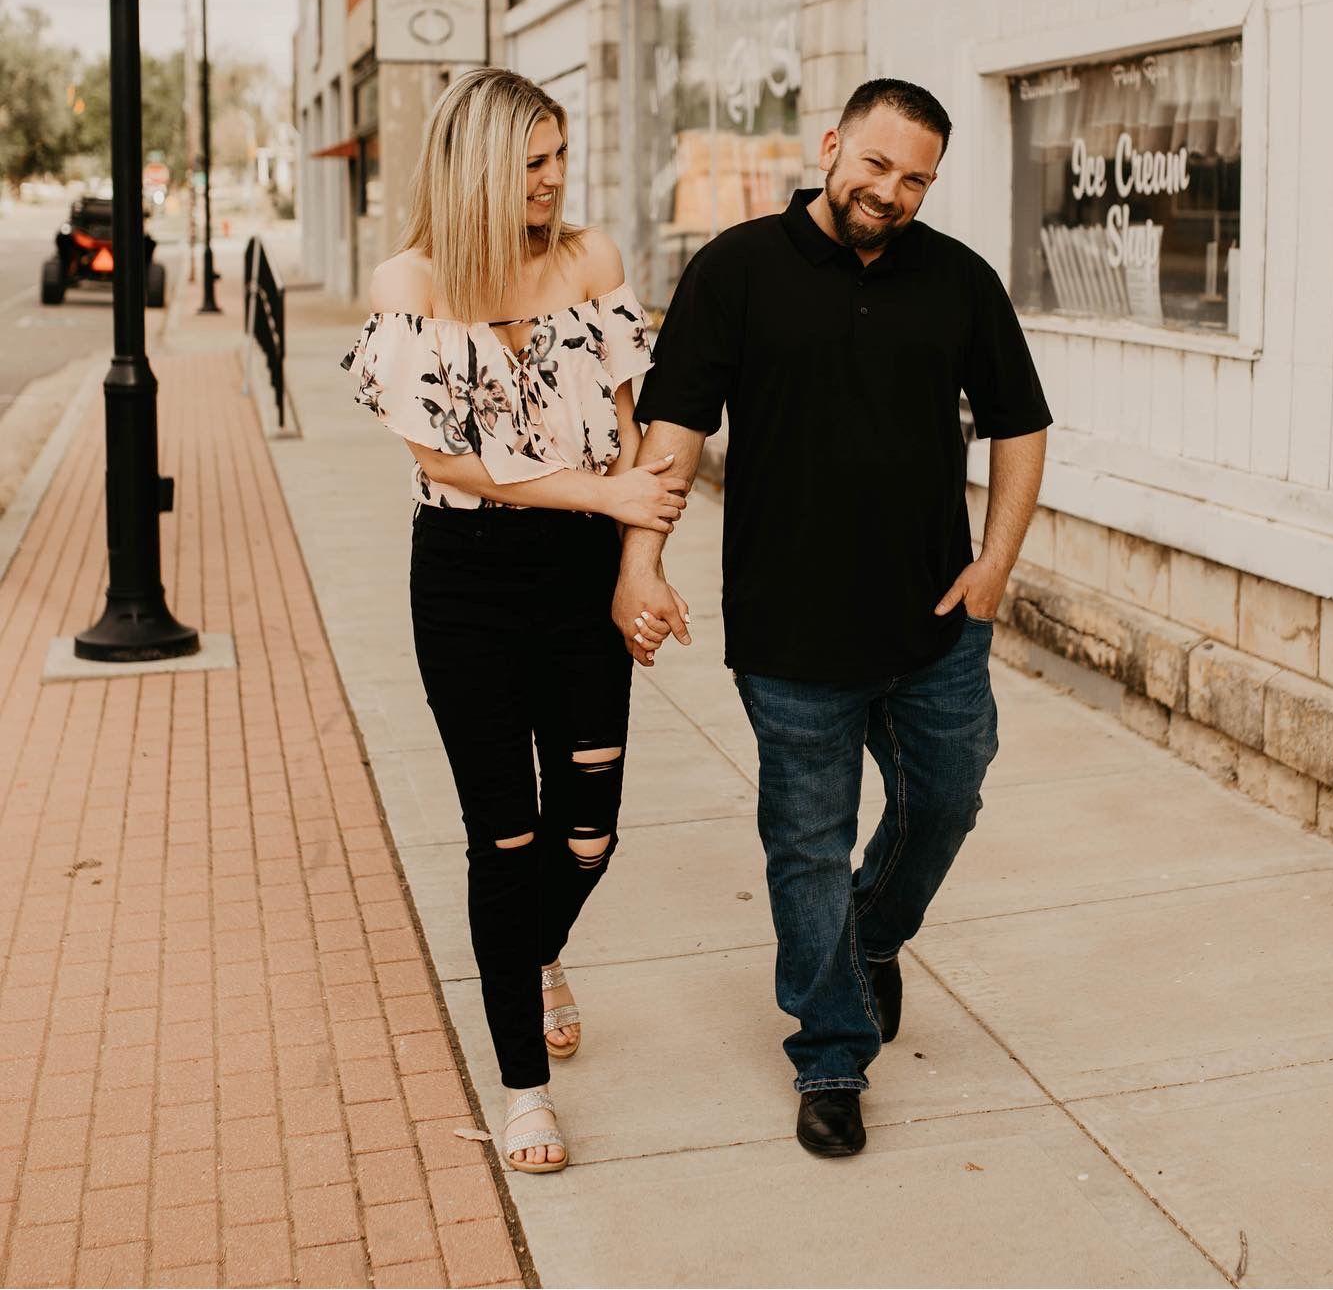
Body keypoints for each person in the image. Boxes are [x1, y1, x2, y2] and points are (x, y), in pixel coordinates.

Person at [615, 78, 1051, 1156]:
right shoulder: (736, 269)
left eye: (916, 179)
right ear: (830, 147)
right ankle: (831, 1056)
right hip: (792, 631)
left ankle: (872, 937)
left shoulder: (958, 280)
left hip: (934, 622)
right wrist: (641, 562)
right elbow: (675, 428)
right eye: (876, 164)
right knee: (806, 845)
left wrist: (995, 564)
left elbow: (1021, 422)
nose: (890, 192)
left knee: (947, 798)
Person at [342, 68, 690, 1173]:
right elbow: (446, 459)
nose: (553, 178)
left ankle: (534, 955)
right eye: (532, 160)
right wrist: (606, 496)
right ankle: (523, 1090)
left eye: (559, 155)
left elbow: (633, 431)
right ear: (477, 166)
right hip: (468, 581)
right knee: (504, 836)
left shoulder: (592, 264)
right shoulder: (411, 283)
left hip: (583, 576)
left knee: (588, 834)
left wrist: (640, 566)